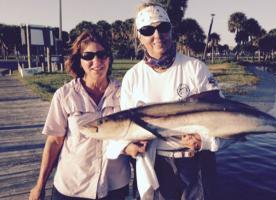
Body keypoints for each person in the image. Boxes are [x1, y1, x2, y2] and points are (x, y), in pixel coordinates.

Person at [118, 2, 221, 200]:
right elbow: (126, 128)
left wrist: (203, 141)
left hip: (195, 163)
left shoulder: (196, 68)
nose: (157, 36)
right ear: (139, 36)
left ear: (171, 30)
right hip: (155, 163)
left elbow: (222, 115)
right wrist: (128, 145)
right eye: (148, 30)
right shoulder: (133, 77)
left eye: (162, 27)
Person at [29, 31, 131, 200]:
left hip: (115, 187)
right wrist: (40, 185)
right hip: (72, 187)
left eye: (102, 54)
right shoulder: (65, 95)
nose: (96, 61)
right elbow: (54, 142)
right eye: (88, 56)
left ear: (109, 58)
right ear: (79, 61)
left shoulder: (126, 92)